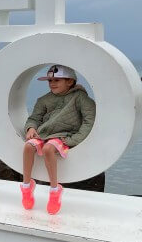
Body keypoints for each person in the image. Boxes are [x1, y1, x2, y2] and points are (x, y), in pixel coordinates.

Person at [21, 65, 95, 214]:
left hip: (64, 136)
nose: (52, 83)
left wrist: (73, 140)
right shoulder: (44, 99)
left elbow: (89, 121)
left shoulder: (80, 98)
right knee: (28, 146)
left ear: (70, 81)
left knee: (49, 149)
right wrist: (31, 128)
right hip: (43, 134)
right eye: (49, 80)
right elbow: (34, 118)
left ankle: (55, 190)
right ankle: (26, 187)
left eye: (57, 80)